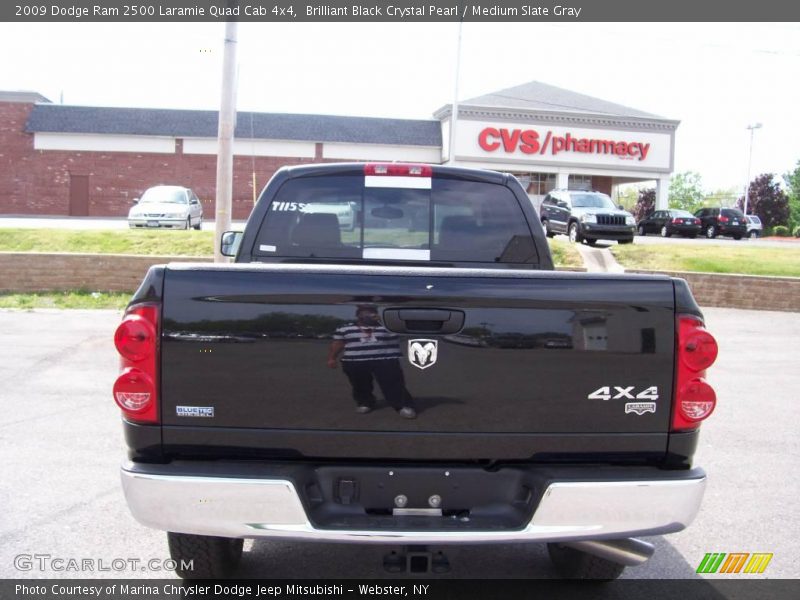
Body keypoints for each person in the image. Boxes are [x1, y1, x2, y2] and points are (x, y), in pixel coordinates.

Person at [328, 306, 417, 419]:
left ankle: (403, 406)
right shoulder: (345, 328)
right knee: (359, 384)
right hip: (355, 361)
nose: (369, 315)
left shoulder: (389, 327)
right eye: (365, 312)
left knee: (394, 384)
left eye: (372, 312)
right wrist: (332, 358)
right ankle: (365, 403)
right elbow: (338, 343)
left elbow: (405, 329)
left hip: (386, 360)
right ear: (358, 315)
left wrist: (383, 321)